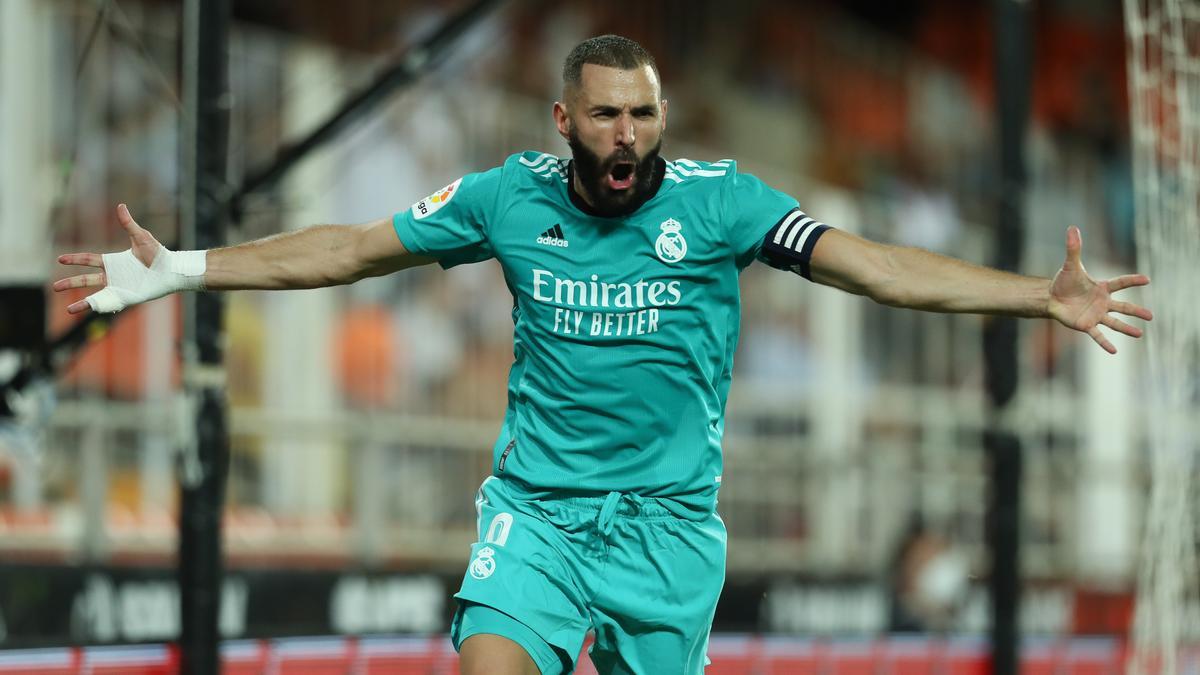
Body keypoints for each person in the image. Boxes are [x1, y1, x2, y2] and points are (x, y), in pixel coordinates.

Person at [55, 35, 1152, 675]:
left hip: (668, 533)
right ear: (564, 119)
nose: (628, 134)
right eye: (607, 115)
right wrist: (183, 269)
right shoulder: (502, 197)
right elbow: (347, 248)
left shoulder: (725, 206)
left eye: (643, 114)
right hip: (534, 514)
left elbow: (877, 268)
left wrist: (1033, 299)